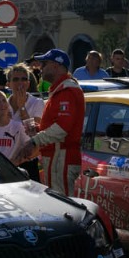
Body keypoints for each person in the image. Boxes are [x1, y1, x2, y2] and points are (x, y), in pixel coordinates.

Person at [27, 50, 85, 198]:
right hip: (58, 156)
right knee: (59, 202)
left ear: (56, 65)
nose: (41, 67)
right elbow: (62, 125)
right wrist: (39, 130)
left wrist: (36, 140)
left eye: (44, 64)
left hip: (61, 156)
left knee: (62, 205)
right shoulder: (61, 89)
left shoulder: (67, 90)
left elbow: (62, 128)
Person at [0, 90, 33, 163]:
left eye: (4, 101)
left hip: (10, 171)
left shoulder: (18, 126)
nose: (2, 104)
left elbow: (31, 147)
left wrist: (17, 162)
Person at [5, 64, 44, 129]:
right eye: (15, 79)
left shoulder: (37, 103)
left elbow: (34, 130)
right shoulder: (3, 104)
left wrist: (22, 107)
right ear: (8, 84)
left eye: (24, 79)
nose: (20, 82)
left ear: (28, 84)